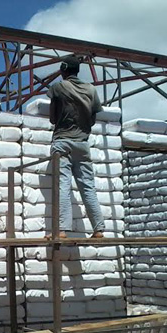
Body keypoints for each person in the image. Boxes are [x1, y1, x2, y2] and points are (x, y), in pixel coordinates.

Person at [47, 54, 105, 239]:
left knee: (63, 185)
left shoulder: (58, 87)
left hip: (62, 141)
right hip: (83, 144)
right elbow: (93, 119)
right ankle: (98, 229)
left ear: (63, 69)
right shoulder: (91, 89)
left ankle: (62, 230)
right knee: (88, 186)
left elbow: (53, 118)